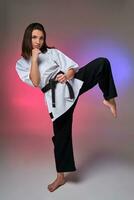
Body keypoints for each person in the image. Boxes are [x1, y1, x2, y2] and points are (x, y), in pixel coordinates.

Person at [16, 22, 118, 192]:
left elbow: (71, 68)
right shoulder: (21, 63)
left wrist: (67, 74)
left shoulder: (52, 52)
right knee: (61, 138)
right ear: (28, 38)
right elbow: (35, 81)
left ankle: (109, 99)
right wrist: (34, 58)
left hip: (72, 85)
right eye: (34, 37)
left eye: (41, 38)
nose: (38, 41)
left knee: (102, 63)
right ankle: (60, 177)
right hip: (57, 101)